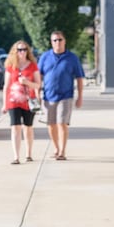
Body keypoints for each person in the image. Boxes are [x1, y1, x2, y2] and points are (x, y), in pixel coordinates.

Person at [37, 30, 84, 160]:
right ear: (51, 42)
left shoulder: (72, 58)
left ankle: (62, 151)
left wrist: (80, 97)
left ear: (64, 41)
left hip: (66, 96)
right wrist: (37, 93)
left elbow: (79, 78)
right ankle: (56, 148)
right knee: (51, 124)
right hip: (48, 96)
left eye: (60, 40)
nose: (57, 42)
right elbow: (39, 76)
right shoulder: (45, 57)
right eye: (55, 40)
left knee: (62, 123)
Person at [2, 40, 41, 164]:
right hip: (13, 101)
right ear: (15, 51)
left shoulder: (33, 66)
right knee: (15, 127)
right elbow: (6, 86)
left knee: (28, 127)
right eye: (19, 50)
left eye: (24, 49)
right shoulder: (10, 66)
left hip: (30, 100)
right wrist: (4, 104)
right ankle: (16, 156)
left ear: (27, 51)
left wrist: (27, 82)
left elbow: (38, 84)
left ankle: (29, 154)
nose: (22, 52)